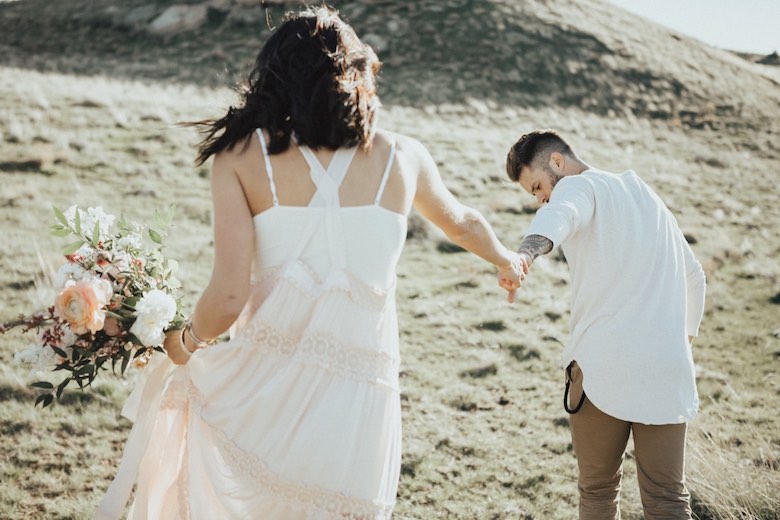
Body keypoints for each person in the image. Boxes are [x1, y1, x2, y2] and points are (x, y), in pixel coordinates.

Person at [93, 7, 523, 520]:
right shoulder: (403, 156)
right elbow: (461, 221)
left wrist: (183, 346)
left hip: (265, 391)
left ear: (278, 76)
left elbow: (228, 296)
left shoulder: (240, 157)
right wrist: (505, 259)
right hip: (362, 403)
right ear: (357, 76)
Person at [502, 129, 706, 519]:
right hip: (667, 368)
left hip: (602, 368)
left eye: (538, 186)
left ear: (558, 162)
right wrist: (680, 344)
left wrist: (524, 255)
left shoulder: (577, 188)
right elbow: (695, 278)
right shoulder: (647, 196)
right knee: (668, 499)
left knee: (597, 493)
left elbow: (560, 215)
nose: (541, 198)